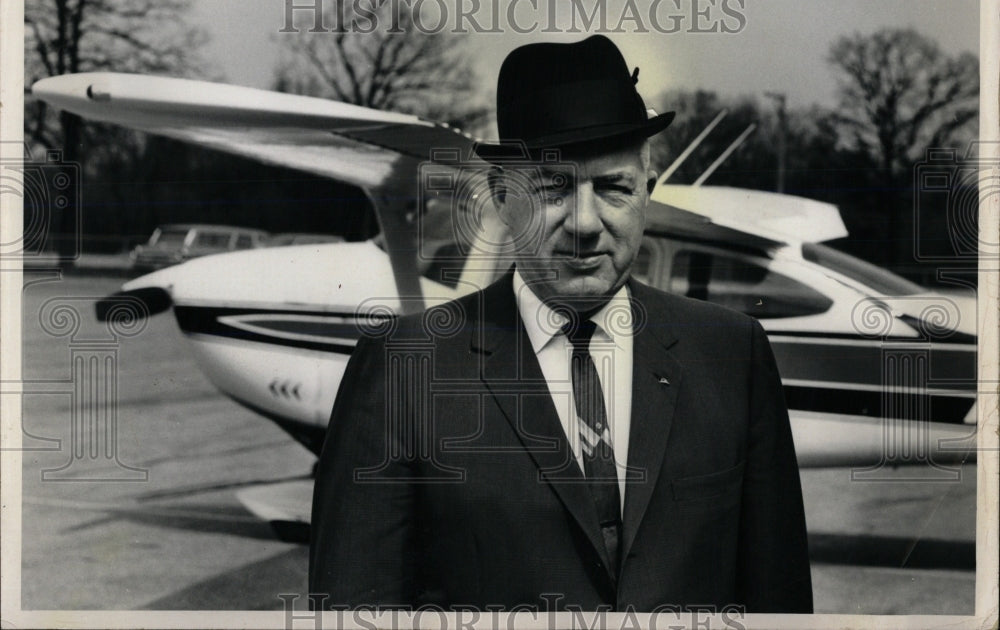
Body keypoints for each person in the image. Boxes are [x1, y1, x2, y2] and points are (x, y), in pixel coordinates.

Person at [309, 35, 813, 613]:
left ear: (647, 192)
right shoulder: (404, 368)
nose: (585, 222)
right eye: (553, 187)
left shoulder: (731, 355)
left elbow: (782, 608)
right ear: (501, 197)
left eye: (613, 188)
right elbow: (352, 610)